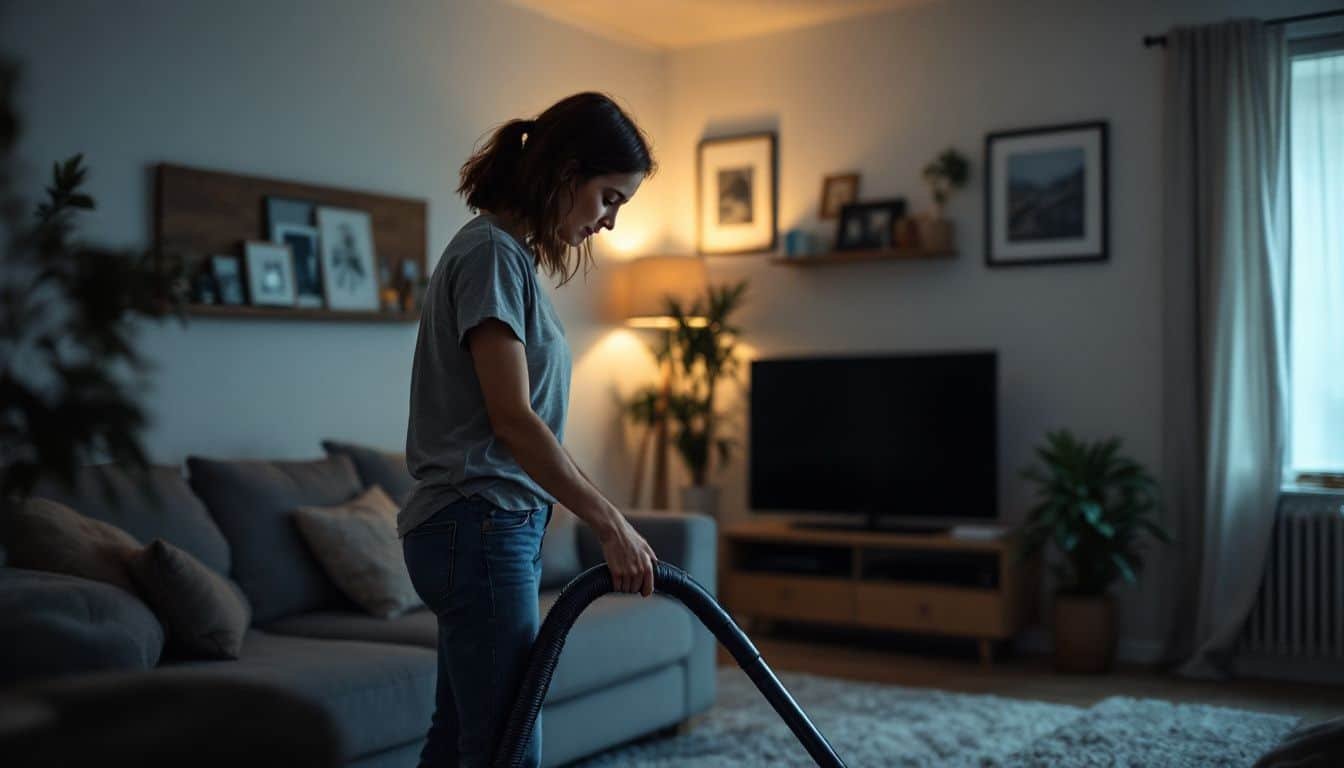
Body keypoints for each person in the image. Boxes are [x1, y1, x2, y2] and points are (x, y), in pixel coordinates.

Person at [399, 92, 659, 768]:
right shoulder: (491, 255)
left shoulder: (504, 255)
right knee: (507, 748)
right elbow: (513, 418)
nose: (608, 222)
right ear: (567, 171)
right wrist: (609, 521)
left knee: (461, 740)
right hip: (478, 523)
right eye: (609, 198)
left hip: (477, 525)